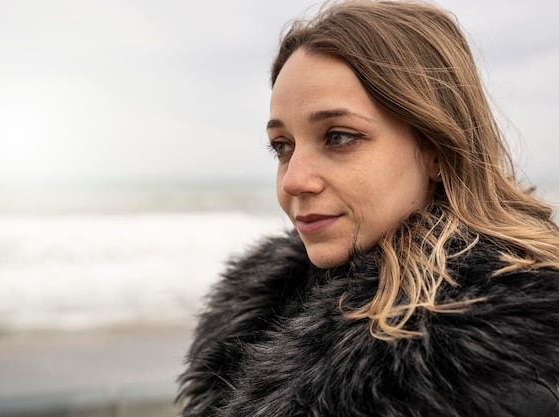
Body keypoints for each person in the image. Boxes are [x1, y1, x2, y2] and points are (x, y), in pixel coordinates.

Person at [177, 1, 559, 416]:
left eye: (339, 137)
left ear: (436, 148)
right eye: (282, 147)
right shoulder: (258, 309)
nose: (293, 180)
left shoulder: (499, 362)